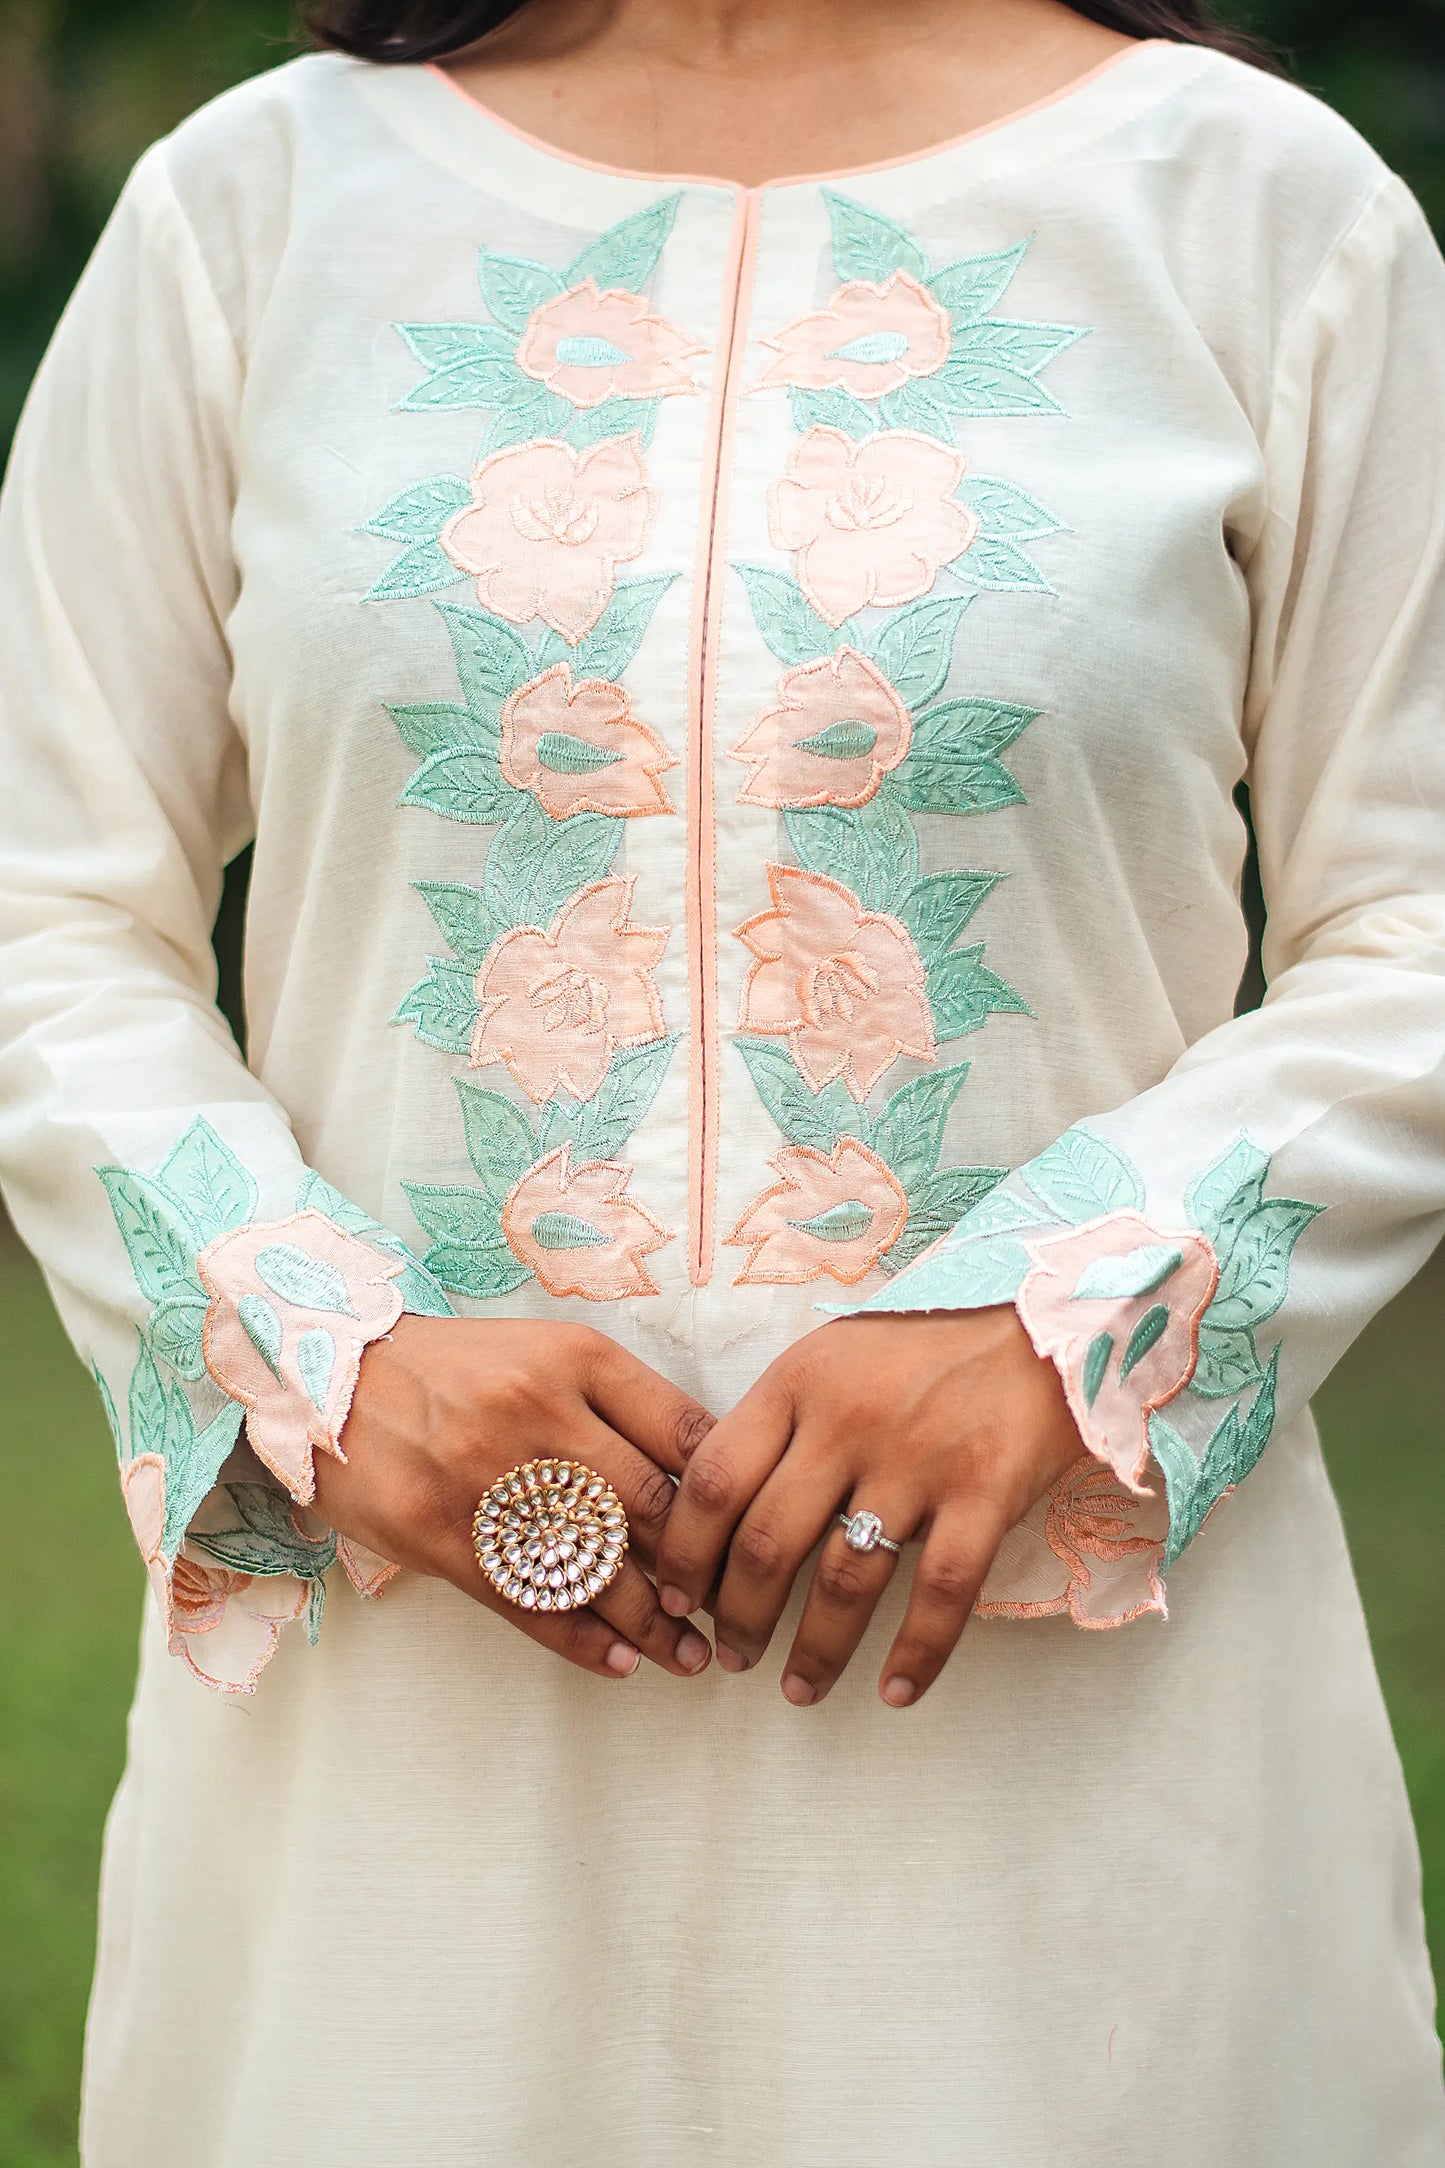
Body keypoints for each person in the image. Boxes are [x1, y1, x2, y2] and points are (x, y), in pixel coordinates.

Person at [2, 0, 1443, 2159]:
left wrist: (1066, 1321)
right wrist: (325, 1346)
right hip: (398, 1782)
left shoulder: (1265, 214)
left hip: (1074, 1780)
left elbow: (1418, 918)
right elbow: (42, 901)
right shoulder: (261, 208)